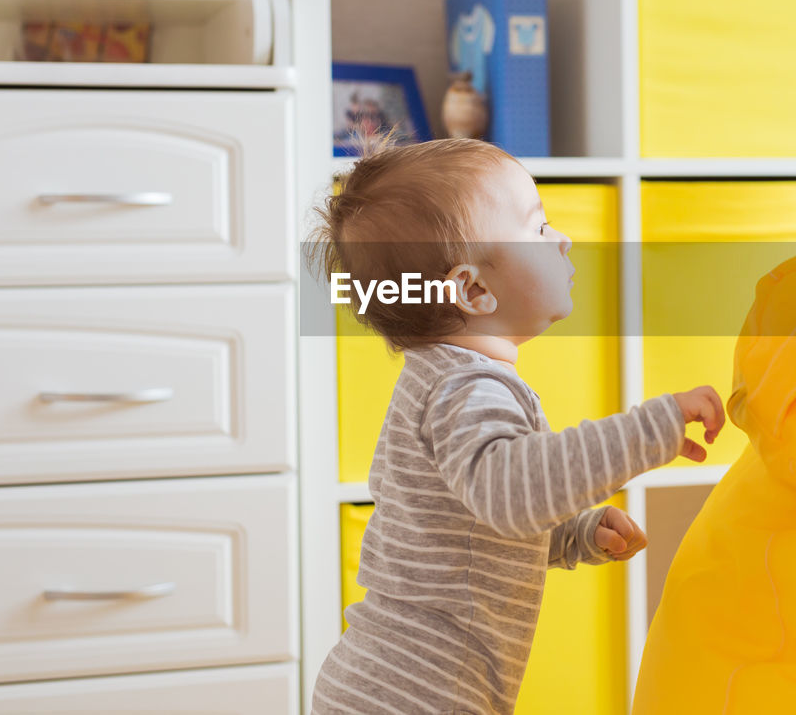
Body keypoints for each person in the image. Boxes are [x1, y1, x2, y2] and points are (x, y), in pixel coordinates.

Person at [306, 137, 724, 714]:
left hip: (396, 682)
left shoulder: (442, 379)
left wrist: (574, 532)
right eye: (539, 228)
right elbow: (509, 496)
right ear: (473, 289)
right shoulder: (465, 389)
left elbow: (474, 527)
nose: (564, 239)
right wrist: (651, 429)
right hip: (420, 692)